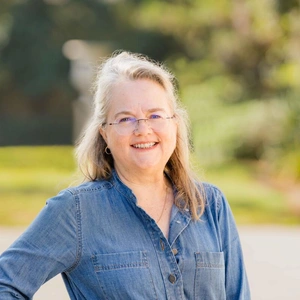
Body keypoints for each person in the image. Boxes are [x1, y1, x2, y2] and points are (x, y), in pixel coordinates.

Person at [0, 51, 250, 299]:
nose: (143, 129)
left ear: (174, 124)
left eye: (155, 115)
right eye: (126, 119)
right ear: (105, 134)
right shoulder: (76, 212)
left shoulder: (210, 204)